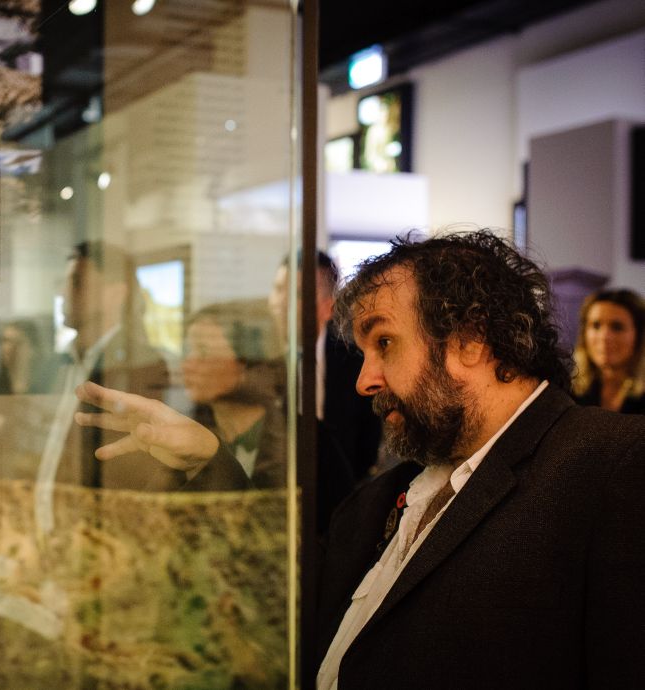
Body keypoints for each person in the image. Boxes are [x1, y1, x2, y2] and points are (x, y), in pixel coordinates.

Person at [75, 230, 645, 689]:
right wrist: (209, 460)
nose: (365, 380)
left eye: (386, 344)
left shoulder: (614, 464)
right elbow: (282, 599)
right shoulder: (386, 498)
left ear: (471, 340)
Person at [32, 240, 170, 532]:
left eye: (77, 282)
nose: (62, 293)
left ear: (115, 294)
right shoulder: (60, 365)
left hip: (94, 538)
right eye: (65, 283)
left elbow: (131, 475)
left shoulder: (140, 366)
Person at [182, 299, 353, 531]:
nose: (188, 363)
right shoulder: (186, 438)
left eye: (202, 351)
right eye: (187, 350)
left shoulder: (310, 442)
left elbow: (334, 539)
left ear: (248, 361)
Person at [268, 251, 381, 481]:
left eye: (297, 294)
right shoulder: (260, 363)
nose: (281, 303)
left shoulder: (356, 364)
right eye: (278, 289)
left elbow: (366, 447)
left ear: (327, 307)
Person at [0, 319, 54, 433]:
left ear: (33, 348)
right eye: (4, 341)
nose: (8, 348)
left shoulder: (48, 386)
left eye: (17, 342)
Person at [571, 288, 645, 413]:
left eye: (617, 327)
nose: (604, 337)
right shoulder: (568, 391)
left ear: (639, 336)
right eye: (596, 325)